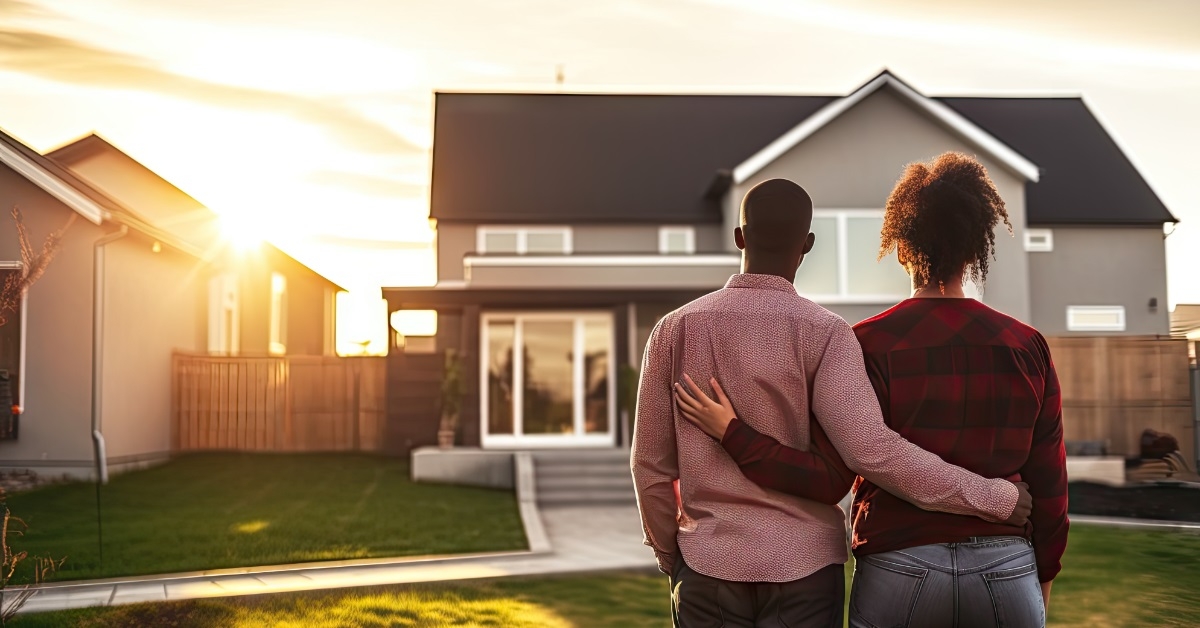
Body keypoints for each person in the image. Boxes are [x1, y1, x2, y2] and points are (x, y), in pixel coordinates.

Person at [674, 153, 1068, 628]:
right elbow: (1050, 481)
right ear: (973, 253)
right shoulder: (1027, 345)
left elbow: (831, 472)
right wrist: (1041, 576)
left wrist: (735, 433)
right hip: (1007, 567)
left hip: (900, 565)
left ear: (901, 249)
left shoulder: (865, 343)